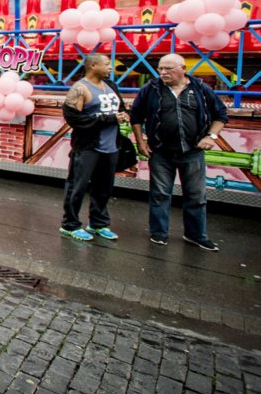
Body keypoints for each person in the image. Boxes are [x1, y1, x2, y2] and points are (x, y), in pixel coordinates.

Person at [130, 54, 228, 251]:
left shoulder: (200, 88)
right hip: (160, 152)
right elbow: (136, 116)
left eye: (168, 69)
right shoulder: (151, 89)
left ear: (183, 68)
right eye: (160, 69)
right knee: (160, 194)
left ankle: (196, 235)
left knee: (196, 195)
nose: (163, 73)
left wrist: (212, 136)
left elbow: (221, 115)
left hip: (192, 152)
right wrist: (140, 141)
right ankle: (159, 234)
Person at [59, 53, 129, 241]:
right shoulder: (80, 88)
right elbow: (74, 119)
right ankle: (70, 225)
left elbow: (120, 108)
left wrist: (123, 115)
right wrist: (110, 118)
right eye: (106, 64)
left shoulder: (111, 86)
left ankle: (98, 223)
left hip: (111, 146)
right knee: (77, 186)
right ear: (93, 66)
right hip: (87, 147)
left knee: (104, 187)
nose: (111, 67)